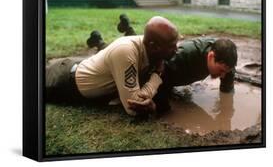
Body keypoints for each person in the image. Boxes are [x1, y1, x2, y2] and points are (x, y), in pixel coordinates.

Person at [46, 16, 178, 116]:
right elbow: (133, 107)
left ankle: (97, 39)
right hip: (64, 81)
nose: (176, 49)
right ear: (154, 46)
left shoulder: (148, 47)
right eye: (172, 46)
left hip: (86, 65)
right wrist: (157, 76)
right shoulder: (126, 51)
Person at [128, 37, 238, 114]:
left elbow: (227, 92)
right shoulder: (184, 56)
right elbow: (160, 75)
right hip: (162, 71)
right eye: (221, 70)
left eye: (226, 72)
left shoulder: (227, 65)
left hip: (182, 72)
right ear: (211, 56)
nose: (223, 76)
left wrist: (225, 111)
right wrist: (162, 108)